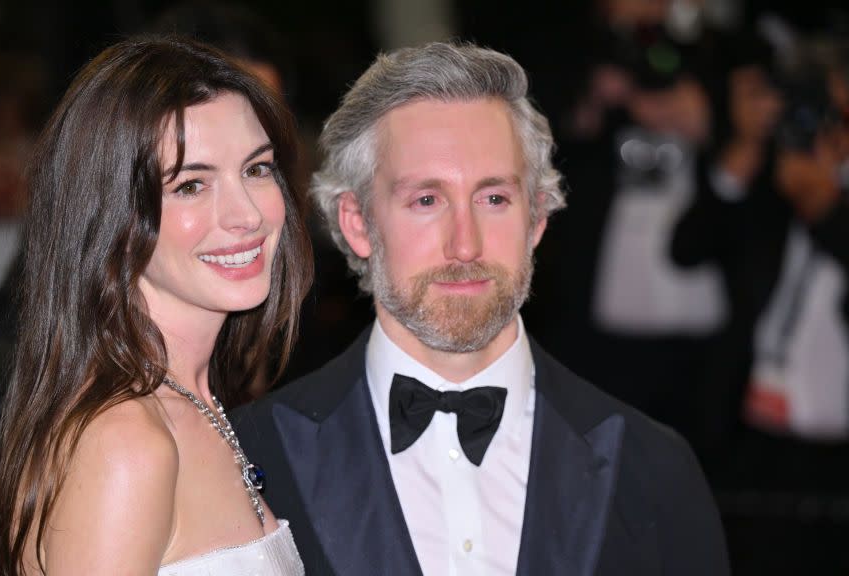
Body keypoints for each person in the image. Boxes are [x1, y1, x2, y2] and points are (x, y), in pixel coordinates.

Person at [232, 42, 729, 575]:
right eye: (427, 200)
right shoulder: (252, 456)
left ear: (537, 216)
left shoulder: (653, 466)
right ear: (357, 223)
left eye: (493, 198)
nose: (465, 245)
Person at [0, 36, 312, 575]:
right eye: (191, 185)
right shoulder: (127, 443)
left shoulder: (194, 405)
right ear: (111, 215)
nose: (247, 215)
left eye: (256, 169)